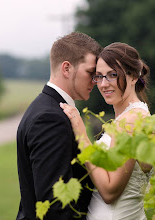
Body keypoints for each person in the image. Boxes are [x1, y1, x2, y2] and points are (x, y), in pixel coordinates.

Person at [60, 42, 154, 220]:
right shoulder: (140, 114)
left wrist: (81, 135)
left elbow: (110, 192)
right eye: (99, 76)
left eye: (112, 75)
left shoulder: (130, 121)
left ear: (133, 76)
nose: (103, 84)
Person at [16, 32, 102, 220]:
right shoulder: (50, 118)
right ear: (66, 68)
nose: (95, 81)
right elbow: (55, 205)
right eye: (90, 73)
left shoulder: (47, 108)